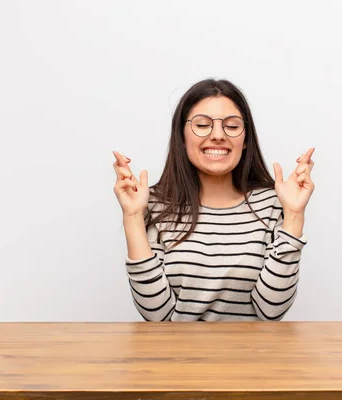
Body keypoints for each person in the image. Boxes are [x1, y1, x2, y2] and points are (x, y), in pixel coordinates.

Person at [112, 78, 315, 321]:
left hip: (252, 358)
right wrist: (133, 217)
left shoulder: (272, 204)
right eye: (202, 124)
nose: (218, 135)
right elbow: (158, 318)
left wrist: (294, 215)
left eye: (231, 126)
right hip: (178, 358)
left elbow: (270, 312)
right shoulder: (154, 205)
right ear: (182, 136)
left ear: (246, 138)